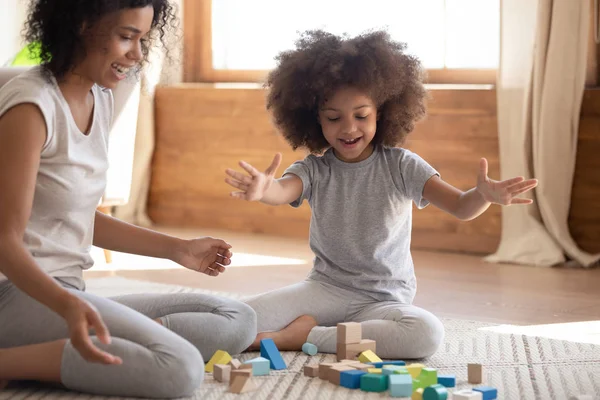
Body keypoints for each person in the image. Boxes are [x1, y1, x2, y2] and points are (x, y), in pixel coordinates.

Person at [225, 30, 538, 360]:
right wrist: (263, 190)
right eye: (334, 118)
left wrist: (483, 195)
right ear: (315, 119)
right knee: (233, 318)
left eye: (361, 116)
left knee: (425, 334)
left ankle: (308, 336)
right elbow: (283, 189)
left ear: (383, 112)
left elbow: (460, 206)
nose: (348, 129)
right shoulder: (315, 169)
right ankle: (317, 333)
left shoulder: (402, 165)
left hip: (385, 300)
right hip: (324, 290)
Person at [0, 1, 256, 398]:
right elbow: (4, 242)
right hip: (13, 296)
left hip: (67, 291)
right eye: (126, 37)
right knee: (180, 368)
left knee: (235, 317)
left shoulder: (98, 96)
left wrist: (179, 249)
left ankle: (104, 350)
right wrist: (66, 306)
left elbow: (78, 216)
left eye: (142, 39)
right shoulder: (31, 107)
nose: (136, 55)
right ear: (81, 24)